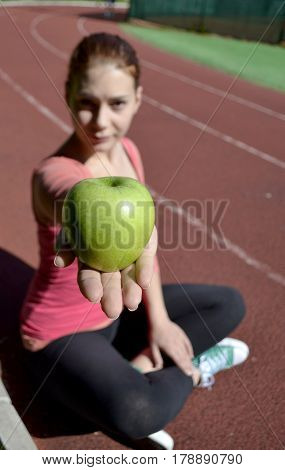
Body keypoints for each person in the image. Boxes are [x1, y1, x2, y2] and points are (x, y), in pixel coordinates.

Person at [20, 33, 249, 450]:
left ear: (139, 99)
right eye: (87, 102)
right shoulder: (51, 172)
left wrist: (159, 323)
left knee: (229, 303)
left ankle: (146, 360)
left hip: (120, 312)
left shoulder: (129, 152)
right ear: (68, 93)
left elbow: (146, 253)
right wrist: (82, 206)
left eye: (117, 103)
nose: (100, 120)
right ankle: (191, 368)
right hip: (63, 333)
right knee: (137, 413)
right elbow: (64, 191)